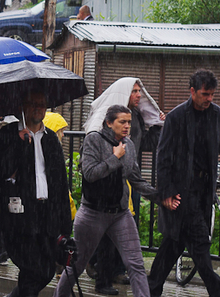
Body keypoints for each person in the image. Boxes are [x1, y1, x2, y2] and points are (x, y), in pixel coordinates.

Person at [148, 69, 220, 297]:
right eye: (205, 94)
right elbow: (163, 157)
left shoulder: (217, 114)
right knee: (198, 243)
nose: (209, 99)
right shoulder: (176, 117)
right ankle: (219, 292)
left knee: (174, 244)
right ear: (192, 91)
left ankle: (150, 289)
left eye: (212, 94)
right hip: (180, 192)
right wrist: (165, 192)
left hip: (203, 191)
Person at [55, 105, 158, 297]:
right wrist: (114, 157)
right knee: (76, 264)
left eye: (129, 122)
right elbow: (90, 173)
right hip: (92, 214)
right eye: (122, 122)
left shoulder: (129, 145)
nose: (127, 126)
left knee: (135, 263)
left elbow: (136, 179)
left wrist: (161, 197)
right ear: (109, 123)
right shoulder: (94, 139)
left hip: (120, 214)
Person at [83, 78, 166, 294]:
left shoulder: (136, 117)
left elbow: (144, 144)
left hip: (127, 180)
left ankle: (117, 270)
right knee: (100, 239)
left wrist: (158, 125)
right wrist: (115, 158)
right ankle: (99, 273)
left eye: (140, 91)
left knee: (130, 246)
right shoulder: (99, 135)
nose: (139, 95)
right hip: (102, 196)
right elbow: (91, 173)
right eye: (134, 91)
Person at [0, 92, 71, 297]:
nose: (38, 108)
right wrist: (19, 146)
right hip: (18, 215)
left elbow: (60, 184)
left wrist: (65, 224)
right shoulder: (9, 134)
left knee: (45, 270)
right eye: (33, 104)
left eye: (42, 104)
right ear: (23, 106)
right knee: (33, 269)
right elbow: (1, 171)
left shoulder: (51, 140)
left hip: (46, 214)